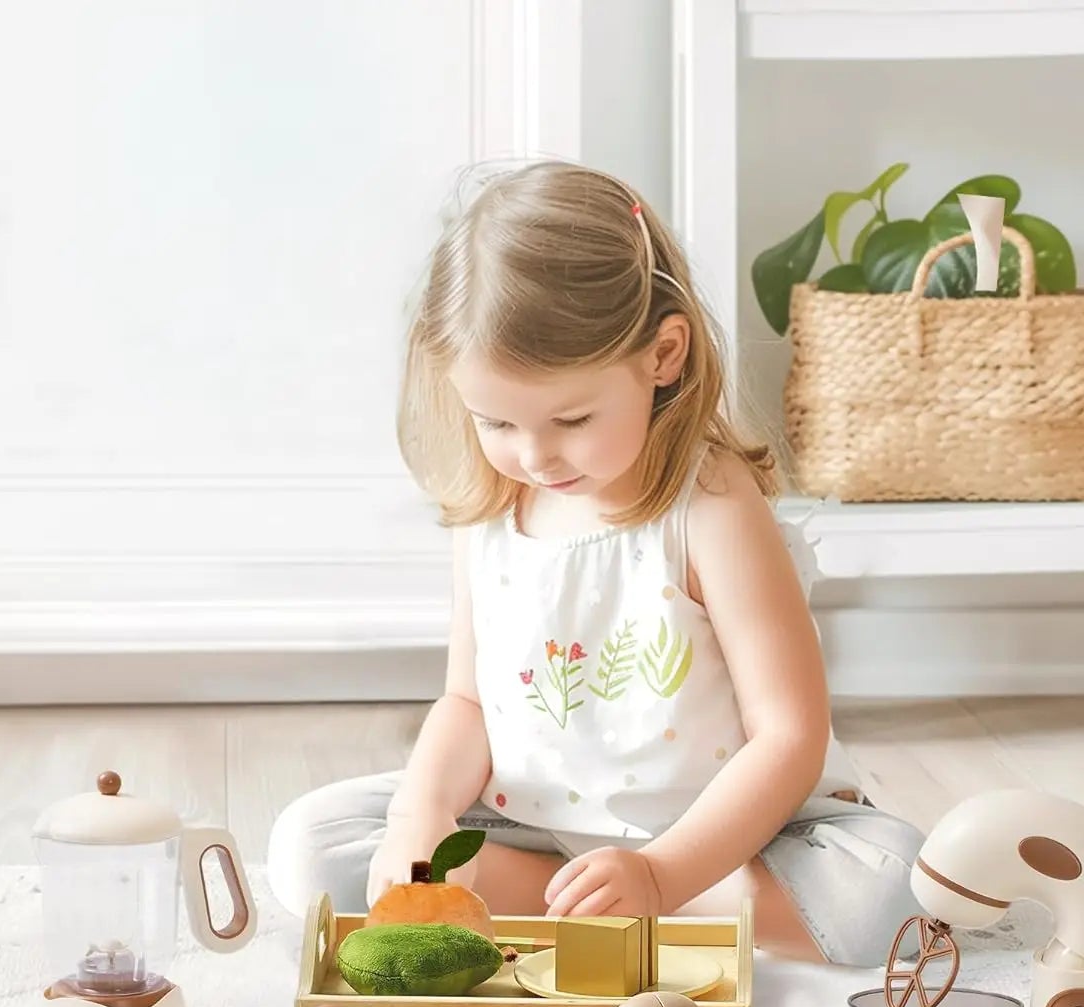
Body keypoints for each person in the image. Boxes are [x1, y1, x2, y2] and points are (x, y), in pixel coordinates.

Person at [268, 162, 922, 964]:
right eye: (496, 421)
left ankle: (612, 905)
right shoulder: (494, 507)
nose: (535, 455)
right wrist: (420, 815)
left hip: (721, 839)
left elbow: (790, 736)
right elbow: (467, 701)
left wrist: (661, 873)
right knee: (308, 847)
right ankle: (588, 898)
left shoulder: (710, 503)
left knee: (887, 892)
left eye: (571, 418)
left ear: (664, 355)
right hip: (531, 822)